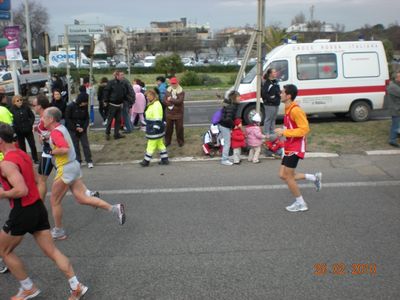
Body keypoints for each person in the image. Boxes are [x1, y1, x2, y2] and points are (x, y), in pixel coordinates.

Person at [0, 122, 88, 300]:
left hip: (22, 210)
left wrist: (2, 194)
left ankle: (28, 288)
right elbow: (40, 181)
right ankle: (76, 285)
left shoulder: (6, 164)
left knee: (4, 250)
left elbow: (21, 190)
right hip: (36, 208)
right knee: (52, 251)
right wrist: (37, 203)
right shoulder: (22, 155)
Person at [43, 107, 125, 240]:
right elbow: (60, 141)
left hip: (65, 169)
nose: (41, 119)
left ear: (51, 119)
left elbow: (64, 148)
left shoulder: (55, 133)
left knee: (54, 201)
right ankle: (115, 208)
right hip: (73, 166)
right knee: (82, 198)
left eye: (43, 117)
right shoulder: (60, 128)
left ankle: (58, 231)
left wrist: (51, 152)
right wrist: (47, 139)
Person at [32, 95, 99, 203]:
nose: (33, 107)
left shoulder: (46, 120)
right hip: (56, 154)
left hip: (50, 153)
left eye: (34, 105)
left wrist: (43, 137)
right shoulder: (46, 117)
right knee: (70, 178)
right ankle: (88, 194)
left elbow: (53, 135)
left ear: (39, 106)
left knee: (42, 180)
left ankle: (39, 206)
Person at [274, 84, 322, 212]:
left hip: (296, 147)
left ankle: (301, 203)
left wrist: (285, 133)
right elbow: (291, 127)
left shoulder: (295, 110)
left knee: (289, 177)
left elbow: (304, 129)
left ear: (288, 96)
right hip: (289, 145)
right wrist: (283, 132)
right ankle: (314, 178)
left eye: (282, 92)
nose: (280, 94)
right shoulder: (287, 108)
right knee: (283, 175)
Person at [65, 86, 94, 168]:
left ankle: (89, 160)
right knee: (75, 145)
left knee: (85, 145)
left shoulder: (84, 108)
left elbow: (87, 118)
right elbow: (68, 119)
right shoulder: (70, 106)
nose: (86, 104)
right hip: (73, 129)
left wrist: (83, 128)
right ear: (81, 101)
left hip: (82, 129)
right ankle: (78, 160)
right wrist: (75, 128)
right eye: (85, 102)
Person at [140, 89, 169, 166]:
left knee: (150, 145)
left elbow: (158, 118)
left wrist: (155, 128)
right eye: (146, 96)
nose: (147, 98)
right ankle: (165, 159)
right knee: (160, 144)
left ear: (153, 96)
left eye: (148, 96)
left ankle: (146, 161)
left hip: (154, 129)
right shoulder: (153, 104)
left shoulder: (156, 105)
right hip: (155, 128)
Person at [10, 95, 39, 164]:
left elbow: (32, 116)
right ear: (14, 102)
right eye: (18, 100)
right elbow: (11, 121)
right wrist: (15, 128)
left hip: (28, 130)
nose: (20, 101)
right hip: (19, 132)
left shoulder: (26, 107)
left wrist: (30, 124)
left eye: (21, 100)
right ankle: (25, 160)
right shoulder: (12, 110)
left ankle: (35, 159)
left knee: (32, 145)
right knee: (22, 147)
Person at [103, 71, 129, 140]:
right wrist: (105, 101)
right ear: (117, 76)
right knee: (110, 120)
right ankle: (107, 134)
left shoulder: (122, 83)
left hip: (119, 104)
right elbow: (106, 91)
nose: (123, 76)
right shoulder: (111, 83)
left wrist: (124, 101)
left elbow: (124, 93)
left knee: (118, 120)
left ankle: (116, 134)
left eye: (123, 75)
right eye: (121, 75)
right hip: (112, 104)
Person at [218, 90, 241, 166]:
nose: (240, 98)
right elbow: (228, 119)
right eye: (238, 97)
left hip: (223, 125)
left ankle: (225, 157)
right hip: (224, 126)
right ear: (234, 98)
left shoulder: (232, 104)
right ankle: (224, 160)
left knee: (226, 142)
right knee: (227, 143)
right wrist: (234, 126)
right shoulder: (232, 106)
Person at [164, 77, 185, 147]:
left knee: (179, 128)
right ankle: (167, 141)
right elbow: (165, 101)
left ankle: (180, 141)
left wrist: (171, 99)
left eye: (174, 83)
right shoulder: (167, 91)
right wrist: (171, 104)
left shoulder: (181, 91)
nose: (173, 84)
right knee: (168, 129)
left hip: (178, 113)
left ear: (177, 83)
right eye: (172, 83)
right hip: (169, 113)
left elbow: (179, 101)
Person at [261, 68, 281, 136]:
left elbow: (278, 91)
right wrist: (271, 98)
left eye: (275, 72)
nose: (276, 73)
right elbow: (264, 94)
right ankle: (266, 132)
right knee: (268, 118)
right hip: (269, 104)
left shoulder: (276, 81)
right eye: (274, 72)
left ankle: (272, 131)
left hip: (276, 103)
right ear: (270, 74)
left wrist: (278, 96)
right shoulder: (267, 83)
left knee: (273, 118)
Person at [387, 71, 400, 147]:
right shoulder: (393, 87)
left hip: (396, 108)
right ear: (396, 78)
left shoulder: (395, 85)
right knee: (395, 125)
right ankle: (392, 140)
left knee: (397, 125)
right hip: (395, 109)